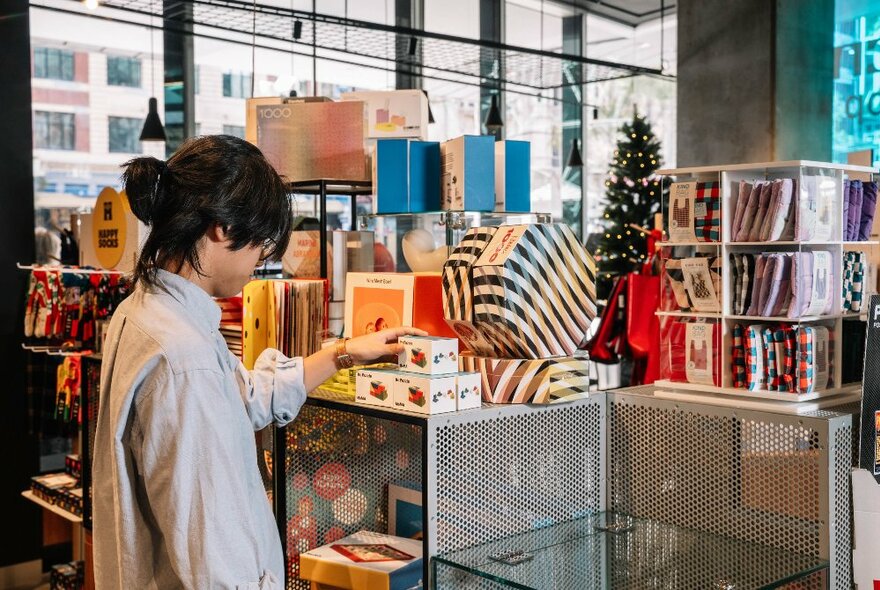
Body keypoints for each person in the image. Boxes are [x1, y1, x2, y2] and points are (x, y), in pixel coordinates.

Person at [92, 135, 425, 589]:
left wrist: (343, 353)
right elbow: (213, 554)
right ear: (223, 229)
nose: (260, 260)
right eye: (261, 243)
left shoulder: (145, 314)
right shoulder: (184, 358)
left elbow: (240, 397)